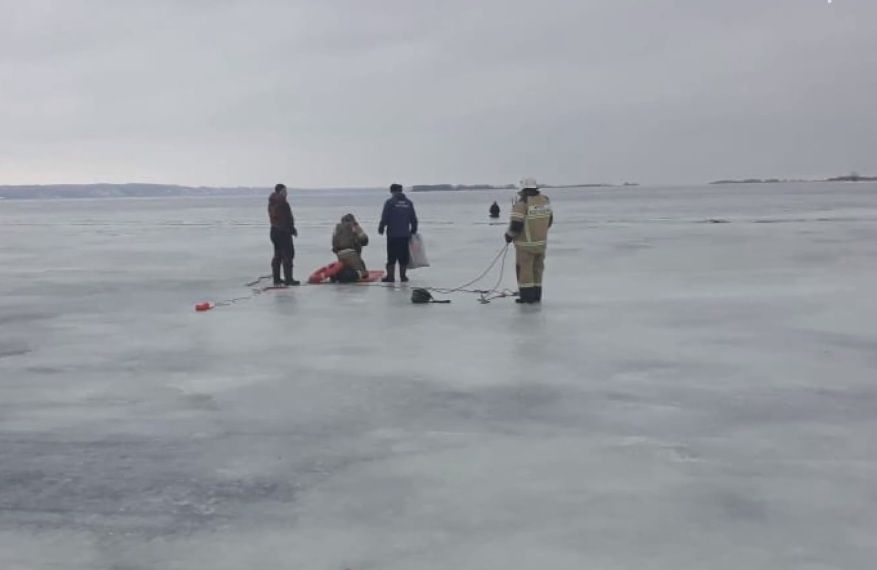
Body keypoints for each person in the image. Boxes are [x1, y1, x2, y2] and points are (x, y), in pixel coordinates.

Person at [504, 177, 553, 304]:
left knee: (525, 272)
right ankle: (536, 296)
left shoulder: (522, 204)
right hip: (541, 245)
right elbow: (550, 221)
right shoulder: (545, 201)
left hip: (525, 246)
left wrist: (508, 236)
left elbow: (516, 225)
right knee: (537, 271)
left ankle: (526, 298)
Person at [378, 183, 418, 283]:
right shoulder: (408, 203)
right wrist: (413, 229)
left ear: (392, 191)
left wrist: (381, 227)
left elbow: (385, 217)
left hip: (392, 234)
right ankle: (403, 277)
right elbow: (413, 218)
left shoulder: (390, 202)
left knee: (391, 257)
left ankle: (390, 277)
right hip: (405, 234)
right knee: (403, 257)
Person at [267, 183, 299, 286]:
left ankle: (277, 279)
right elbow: (286, 218)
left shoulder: (271, 202)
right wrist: (292, 229)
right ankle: (288, 279)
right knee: (288, 255)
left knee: (278, 255)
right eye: (285, 191)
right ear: (280, 192)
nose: (286, 193)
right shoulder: (282, 203)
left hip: (274, 231)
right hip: (282, 232)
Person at [331, 213, 369, 282]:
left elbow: (334, 244)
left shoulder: (337, 228)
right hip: (352, 254)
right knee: (364, 274)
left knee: (347, 268)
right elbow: (364, 240)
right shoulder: (354, 226)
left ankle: (337, 275)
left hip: (339, 254)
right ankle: (353, 274)